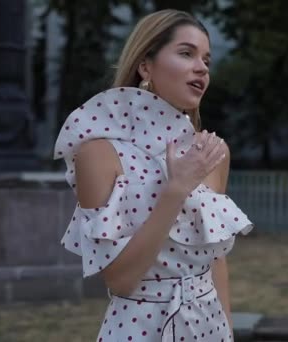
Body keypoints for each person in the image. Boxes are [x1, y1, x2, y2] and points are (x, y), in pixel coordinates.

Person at [53, 9, 253, 341]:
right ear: (146, 65)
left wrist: (227, 333)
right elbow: (120, 280)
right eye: (186, 53)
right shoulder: (99, 153)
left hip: (210, 326)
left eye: (207, 59)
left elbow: (216, 261)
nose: (202, 67)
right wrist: (176, 190)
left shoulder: (213, 154)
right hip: (139, 329)